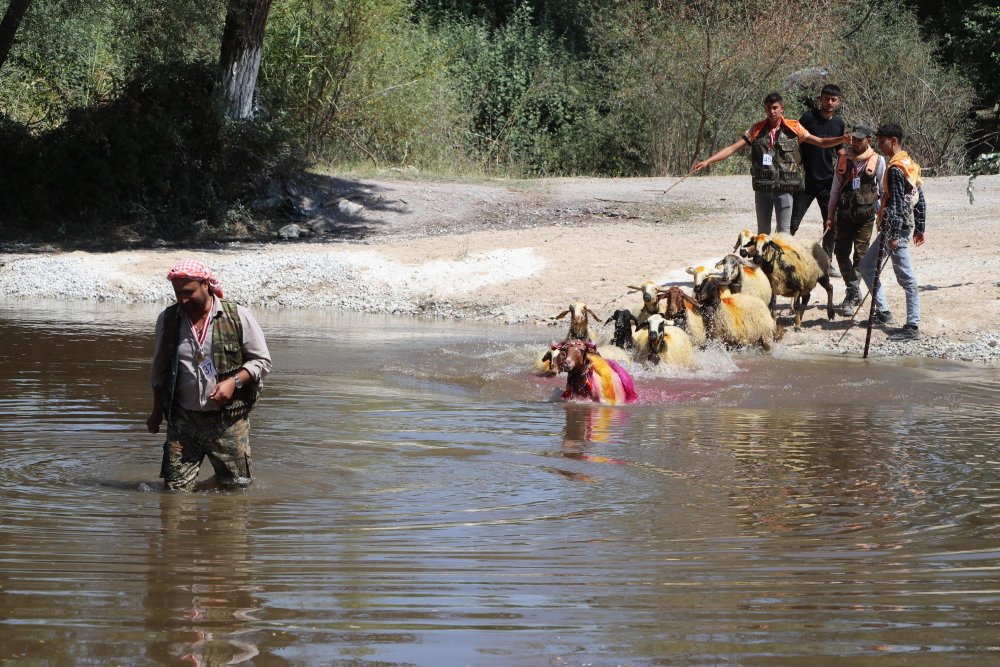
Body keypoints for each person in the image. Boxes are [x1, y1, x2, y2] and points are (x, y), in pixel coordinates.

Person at [147, 259, 272, 491]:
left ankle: (209, 492)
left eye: (188, 292)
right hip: (183, 419)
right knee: (174, 493)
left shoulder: (237, 316)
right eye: (177, 293)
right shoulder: (168, 320)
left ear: (206, 285)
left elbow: (262, 361)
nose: (182, 299)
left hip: (229, 420)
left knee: (236, 488)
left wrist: (234, 382)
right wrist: (156, 412)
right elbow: (160, 370)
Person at [692, 92, 850, 235]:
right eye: (768, 108)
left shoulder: (794, 128)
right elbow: (732, 149)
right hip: (763, 188)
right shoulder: (756, 130)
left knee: (784, 232)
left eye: (775, 108)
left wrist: (841, 139)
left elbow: (820, 142)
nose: (772, 112)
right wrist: (708, 161)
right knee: (763, 232)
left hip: (785, 187)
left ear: (782, 108)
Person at [858, 123, 926, 341]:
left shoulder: (896, 168)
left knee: (906, 278)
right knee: (866, 266)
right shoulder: (909, 163)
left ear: (893, 141)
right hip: (895, 228)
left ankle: (913, 326)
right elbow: (920, 200)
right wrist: (920, 227)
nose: (879, 144)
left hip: (895, 230)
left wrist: (895, 235)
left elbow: (896, 203)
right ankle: (884, 312)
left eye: (881, 140)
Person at [827, 124, 885, 316]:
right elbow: (835, 190)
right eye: (853, 138)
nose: (856, 142)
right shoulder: (843, 159)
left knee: (860, 257)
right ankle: (854, 288)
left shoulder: (878, 161)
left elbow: (884, 192)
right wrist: (829, 216)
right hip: (844, 215)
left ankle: (851, 295)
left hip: (866, 217)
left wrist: (882, 215)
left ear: (869, 139)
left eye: (860, 139)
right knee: (841, 254)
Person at [789, 84, 846, 276]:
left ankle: (827, 262)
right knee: (792, 222)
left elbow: (840, 151)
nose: (829, 102)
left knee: (831, 223)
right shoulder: (807, 118)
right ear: (820, 99)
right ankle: (783, 258)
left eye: (833, 99)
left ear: (838, 102)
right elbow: (794, 143)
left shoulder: (838, 123)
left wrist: (847, 164)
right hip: (805, 181)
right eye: (826, 98)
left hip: (827, 181)